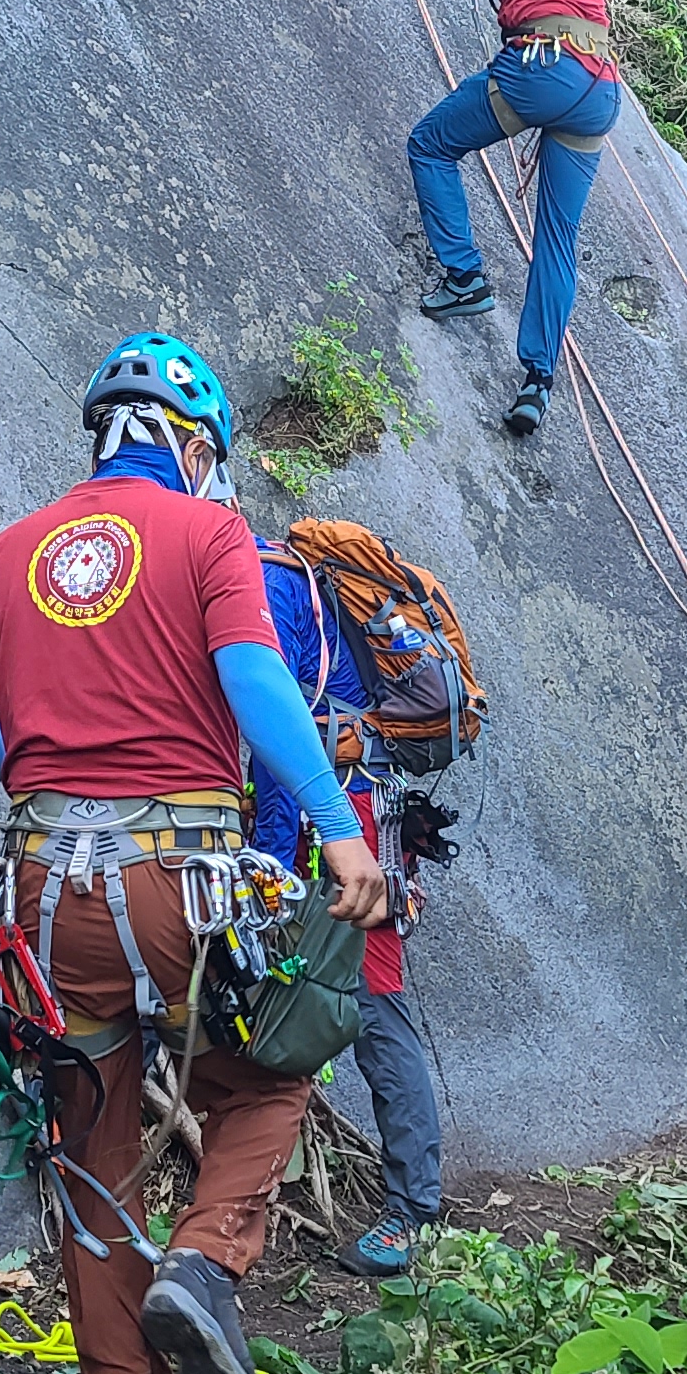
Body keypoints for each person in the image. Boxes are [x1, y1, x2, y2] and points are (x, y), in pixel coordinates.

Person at [0, 336, 394, 1374]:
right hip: (179, 880)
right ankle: (203, 1261)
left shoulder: (2, 553)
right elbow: (252, 672)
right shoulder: (207, 528)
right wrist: (337, 825)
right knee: (269, 1072)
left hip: (43, 899)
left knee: (89, 1135)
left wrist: (48, 758)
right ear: (188, 442)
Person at [246, 534, 448, 1278]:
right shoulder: (286, 577)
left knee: (375, 1012)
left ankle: (411, 1211)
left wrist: (269, 867)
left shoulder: (265, 588)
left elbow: (283, 739)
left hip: (350, 830)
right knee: (343, 1006)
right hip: (360, 818)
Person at [407, 0, 625, 439]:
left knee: (430, 143)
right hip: (598, 87)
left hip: (543, 69)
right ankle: (538, 380)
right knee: (558, 235)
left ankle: (465, 277)